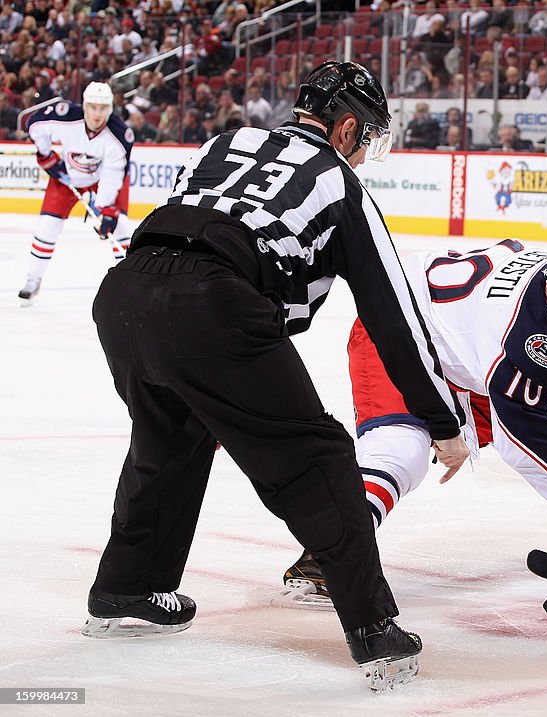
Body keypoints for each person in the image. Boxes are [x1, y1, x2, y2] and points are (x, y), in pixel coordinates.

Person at [81, 61, 470, 692]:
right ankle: (374, 630)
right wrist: (440, 419)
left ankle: (129, 588)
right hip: (211, 305)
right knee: (316, 458)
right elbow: (391, 315)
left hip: (125, 293)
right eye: (366, 137)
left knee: (168, 441)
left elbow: (203, 218)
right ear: (346, 129)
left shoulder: (227, 140)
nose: (365, 151)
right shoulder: (341, 184)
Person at [279, 232, 547, 604]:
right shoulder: (529, 340)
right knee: (401, 454)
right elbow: (525, 445)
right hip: (397, 332)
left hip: (467, 353)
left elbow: (538, 415)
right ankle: (329, 551)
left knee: (533, 435)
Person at [19, 81, 132, 304]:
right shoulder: (67, 117)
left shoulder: (119, 135)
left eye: (102, 108)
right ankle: (33, 280)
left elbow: (113, 174)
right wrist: (45, 154)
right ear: (84, 106)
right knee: (47, 226)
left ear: (110, 108)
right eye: (93, 107)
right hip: (67, 177)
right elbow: (34, 125)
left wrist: (105, 207)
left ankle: (131, 282)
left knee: (121, 228)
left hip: (102, 181)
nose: (97, 114)